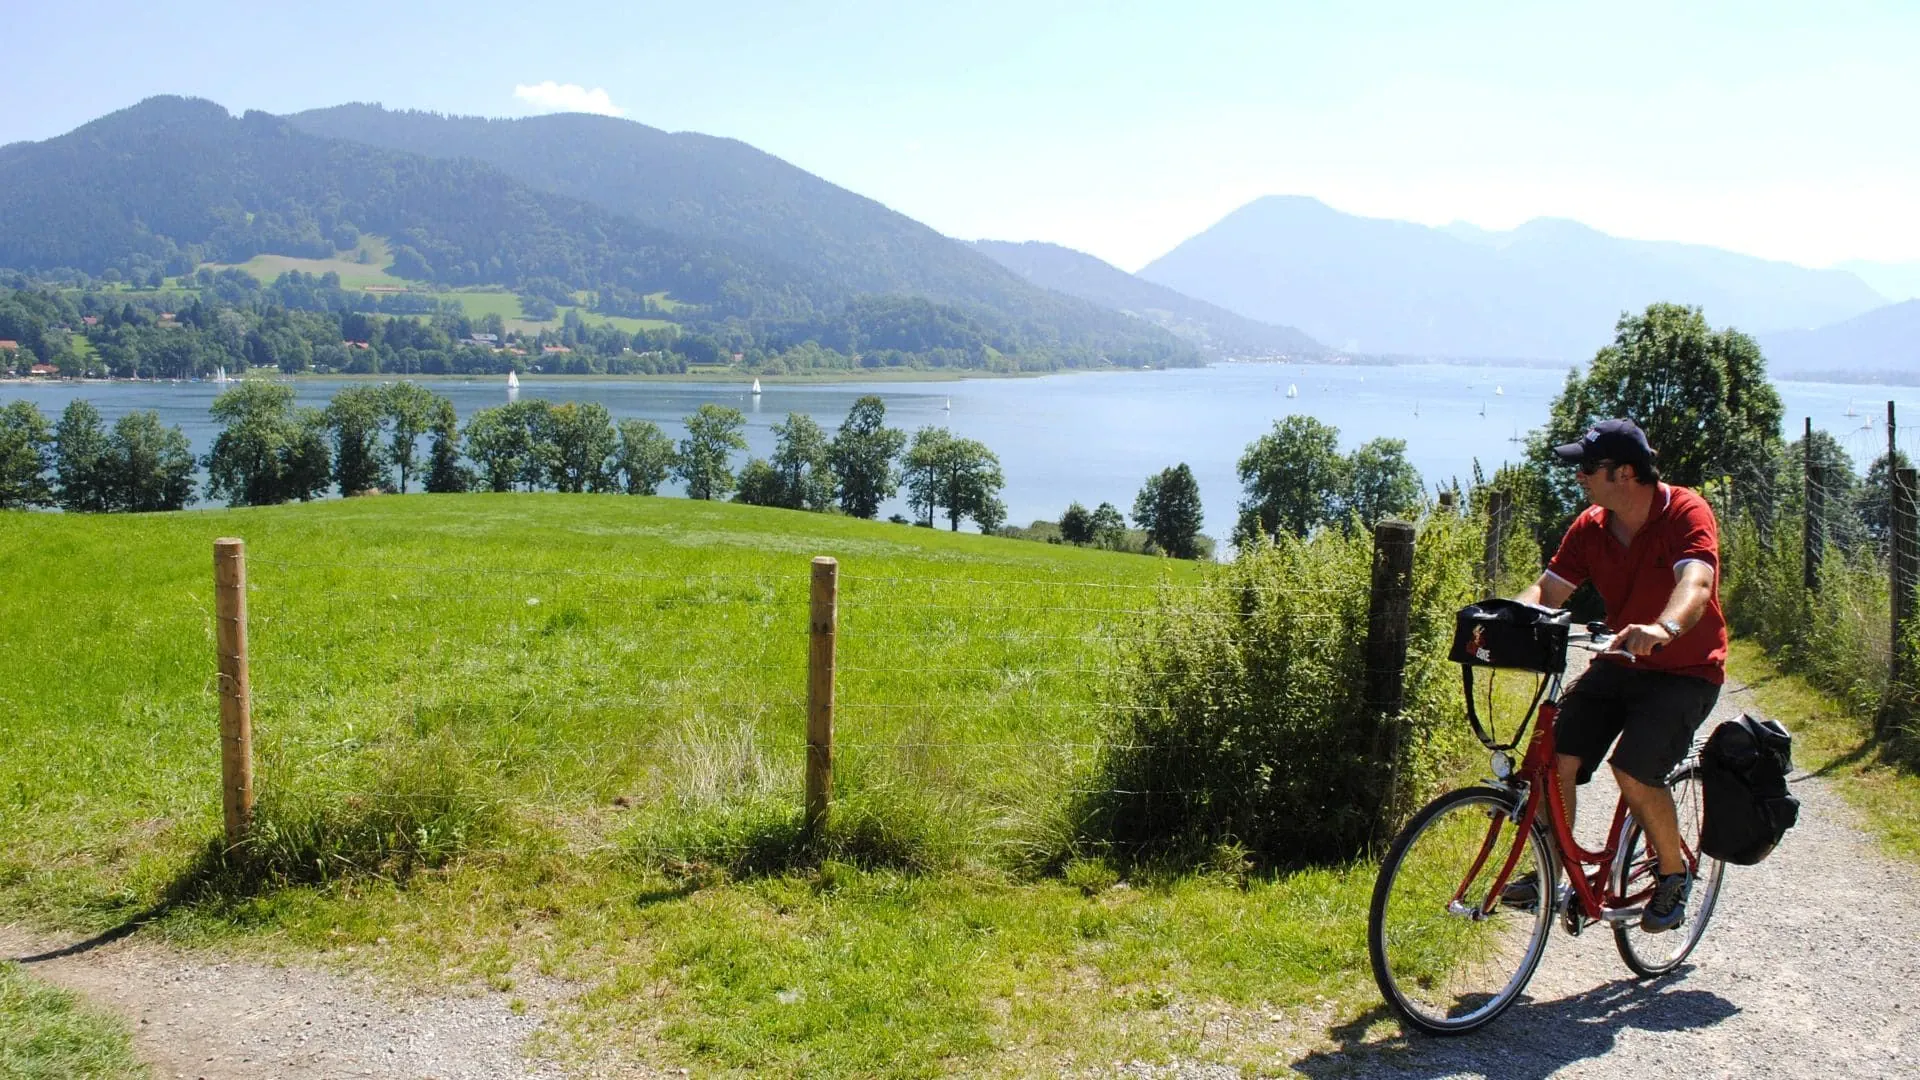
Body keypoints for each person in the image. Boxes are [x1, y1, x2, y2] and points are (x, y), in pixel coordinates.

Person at [1507, 418, 1727, 932]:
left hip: (1684, 670)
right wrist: (1509, 617)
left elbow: (1695, 582)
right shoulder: (1592, 526)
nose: (1579, 477)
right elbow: (1548, 590)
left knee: (1633, 769)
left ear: (1625, 473)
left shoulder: (1685, 513)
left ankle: (1673, 875)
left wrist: (1664, 626)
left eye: (1587, 468)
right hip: (1620, 662)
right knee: (1552, 757)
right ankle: (1550, 870)